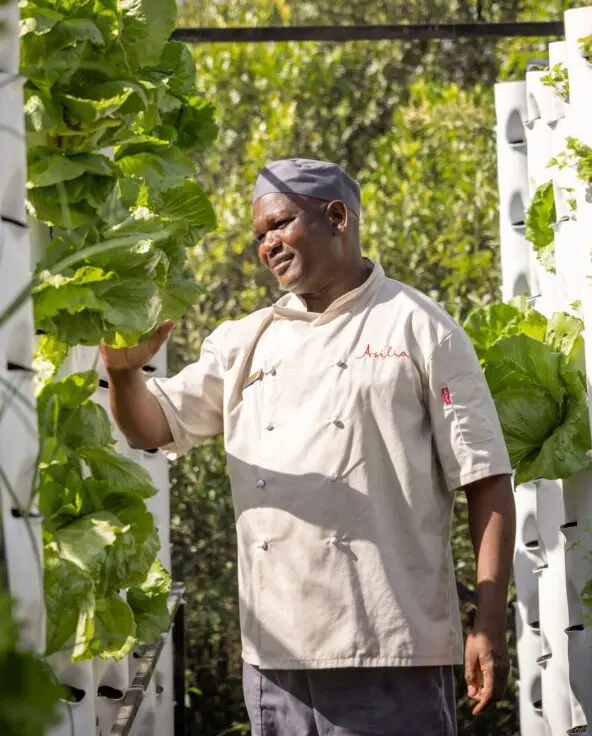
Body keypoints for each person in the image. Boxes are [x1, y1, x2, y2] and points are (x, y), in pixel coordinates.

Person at [101, 158, 516, 736]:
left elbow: (487, 479)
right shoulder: (245, 340)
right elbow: (152, 427)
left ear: (337, 217)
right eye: (259, 235)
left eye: (279, 224)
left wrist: (488, 626)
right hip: (275, 659)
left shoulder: (420, 327)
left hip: (390, 649)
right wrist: (123, 374)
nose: (267, 244)